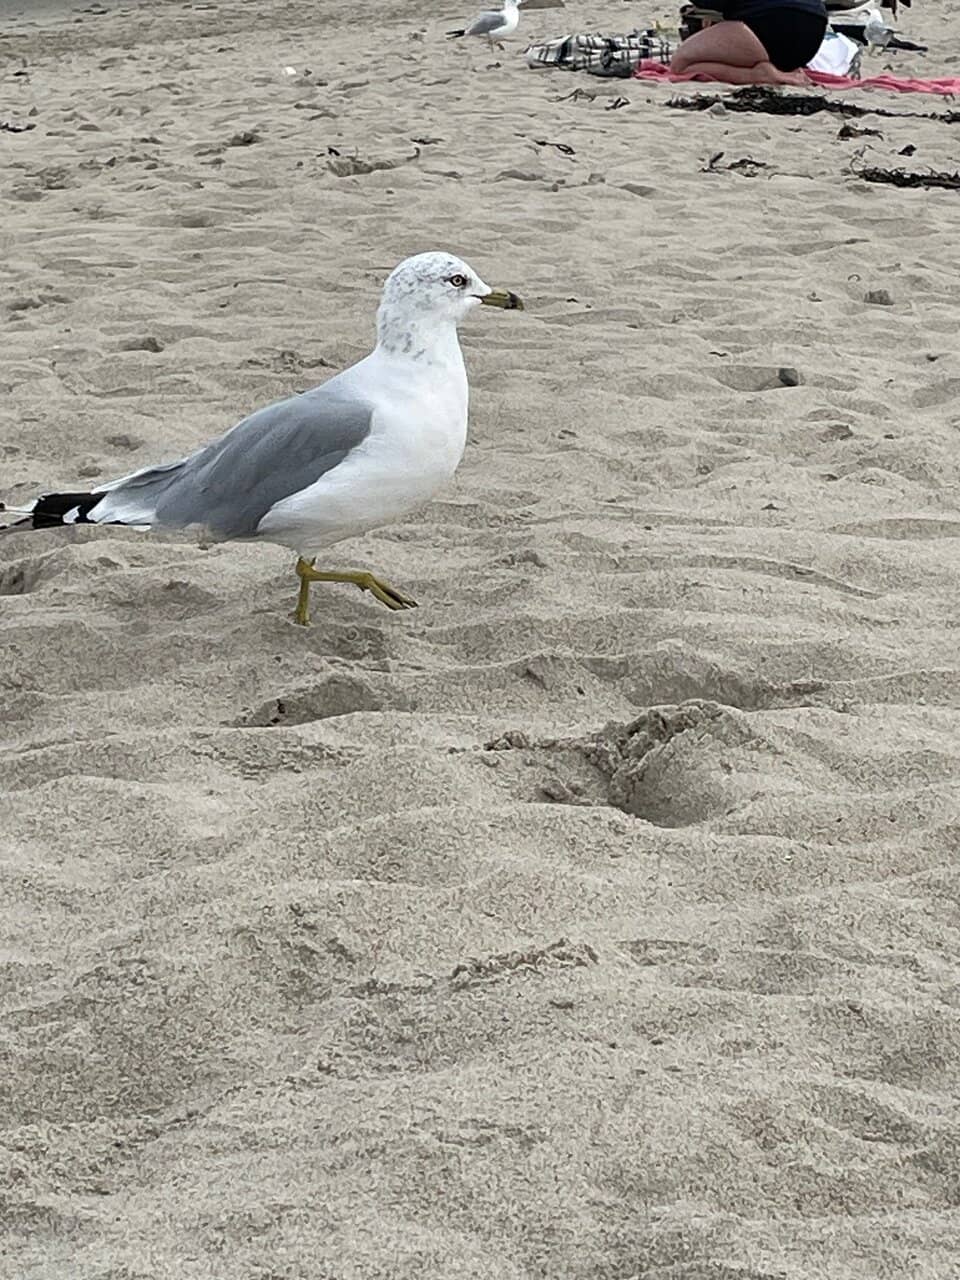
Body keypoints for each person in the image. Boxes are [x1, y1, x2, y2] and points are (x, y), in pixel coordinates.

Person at [671, 0, 829, 86]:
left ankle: (757, 75)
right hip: (813, 32)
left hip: (773, 24)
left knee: (681, 64)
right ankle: (780, 68)